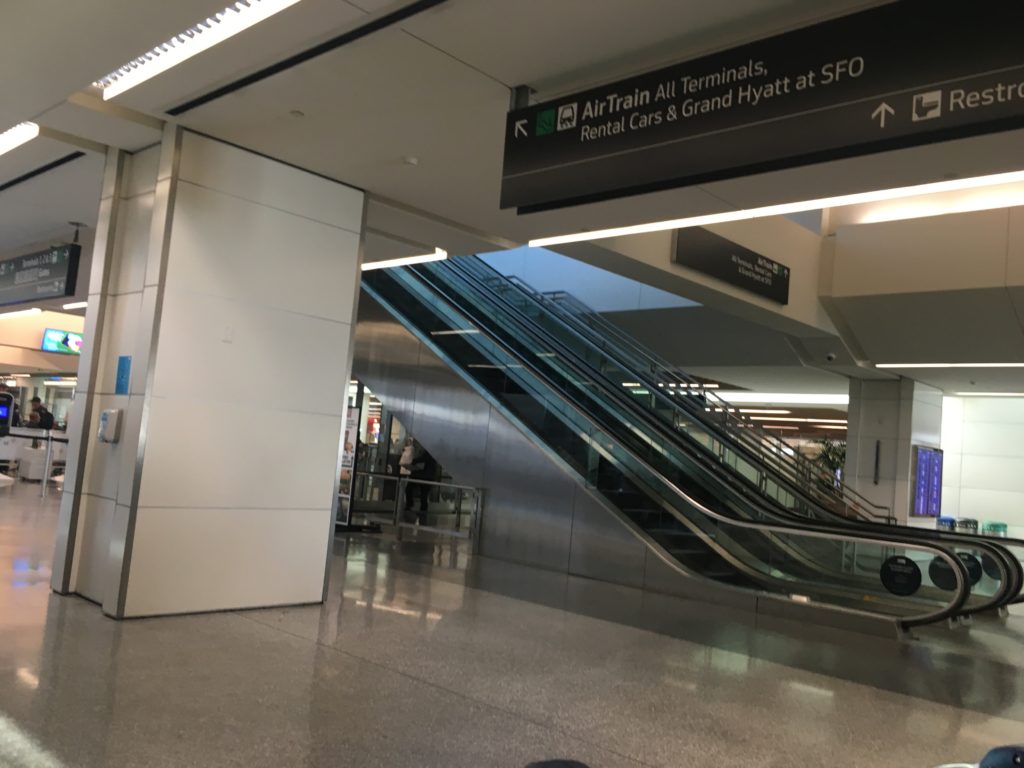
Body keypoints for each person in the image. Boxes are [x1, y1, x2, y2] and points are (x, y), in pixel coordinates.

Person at [400, 438, 438, 523]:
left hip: (423, 476)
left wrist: (411, 461)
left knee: (421, 493)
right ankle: (421, 511)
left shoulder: (428, 452)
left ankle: (417, 509)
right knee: (422, 494)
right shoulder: (427, 451)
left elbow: (422, 459)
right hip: (423, 475)